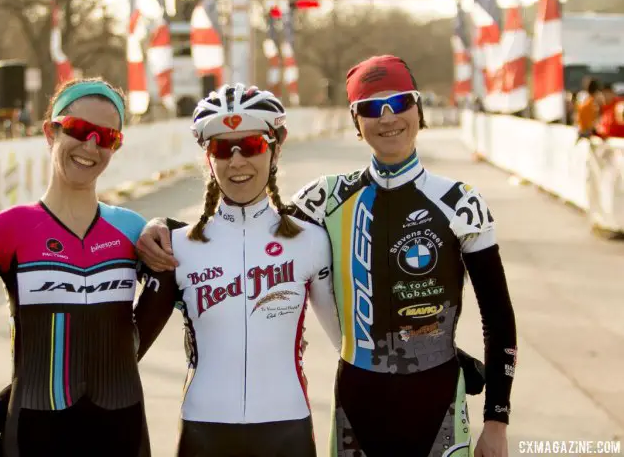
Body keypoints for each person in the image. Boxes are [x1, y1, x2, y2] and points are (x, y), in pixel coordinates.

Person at [137, 55, 517, 457]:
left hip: (438, 397)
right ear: (356, 121)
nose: (387, 118)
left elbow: (499, 317)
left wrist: (497, 419)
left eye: (400, 102)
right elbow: (246, 229)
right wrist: (161, 225)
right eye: (371, 107)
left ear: (418, 108)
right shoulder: (326, 198)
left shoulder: (461, 202)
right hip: (357, 402)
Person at [0, 78, 152, 457]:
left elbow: (197, 298)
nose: (91, 146)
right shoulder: (8, 229)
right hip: (34, 435)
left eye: (106, 137)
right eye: (78, 130)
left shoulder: (134, 230)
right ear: (50, 132)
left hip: (122, 434)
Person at [134, 84, 341, 456]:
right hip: (203, 432)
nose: (237, 161)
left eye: (251, 146)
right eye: (220, 148)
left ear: (276, 148)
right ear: (207, 158)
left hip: (287, 429)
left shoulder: (311, 241)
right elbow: (123, 354)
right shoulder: (176, 247)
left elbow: (349, 344)